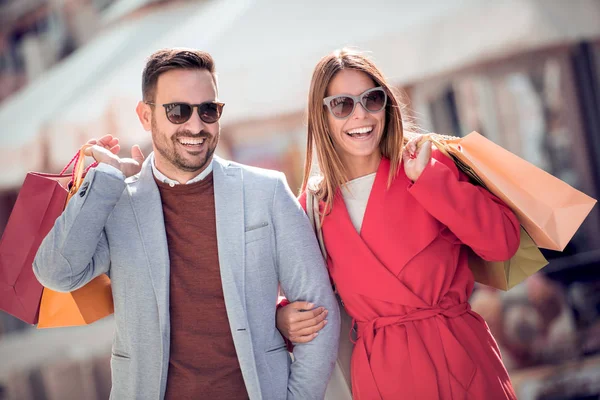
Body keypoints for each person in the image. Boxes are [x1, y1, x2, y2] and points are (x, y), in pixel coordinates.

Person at [33, 48, 340, 400]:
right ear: (145, 116)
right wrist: (103, 180)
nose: (196, 126)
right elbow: (56, 273)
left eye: (208, 110)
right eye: (178, 111)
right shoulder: (116, 203)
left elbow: (319, 310)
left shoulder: (266, 192)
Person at [276, 48, 520, 399]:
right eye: (342, 105)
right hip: (384, 378)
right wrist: (284, 319)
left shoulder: (425, 166)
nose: (361, 115)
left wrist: (433, 181)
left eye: (371, 99)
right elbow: (305, 299)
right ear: (322, 116)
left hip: (464, 364)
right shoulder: (314, 207)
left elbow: (503, 243)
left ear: (386, 105)